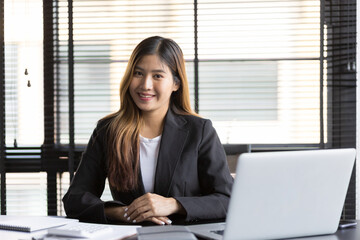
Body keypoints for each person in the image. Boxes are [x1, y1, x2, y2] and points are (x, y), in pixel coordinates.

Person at [63, 36, 234, 225]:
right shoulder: (108, 131)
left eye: (157, 76)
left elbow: (226, 199)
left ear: (176, 83)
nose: (145, 85)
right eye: (138, 73)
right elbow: (75, 199)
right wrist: (122, 212)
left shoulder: (199, 131)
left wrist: (174, 204)